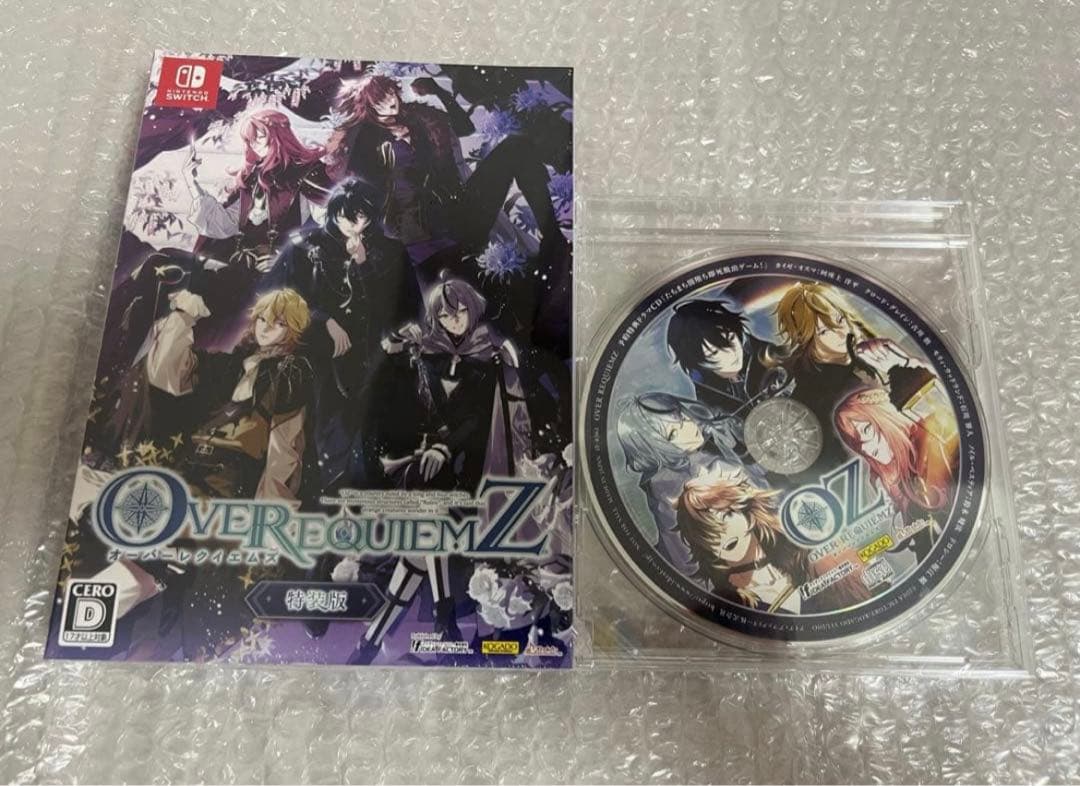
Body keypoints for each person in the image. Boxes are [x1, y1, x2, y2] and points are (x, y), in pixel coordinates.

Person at [327, 74, 567, 283]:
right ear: (368, 106)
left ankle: (554, 242)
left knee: (516, 146)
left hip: (461, 210)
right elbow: (360, 192)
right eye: (379, 99)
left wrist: (439, 91)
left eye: (390, 93)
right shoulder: (367, 141)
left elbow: (465, 127)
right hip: (423, 232)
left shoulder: (419, 116)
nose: (390, 101)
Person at [263, 177, 422, 490]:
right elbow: (279, 299)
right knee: (321, 430)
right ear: (334, 212)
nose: (356, 224)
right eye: (348, 216)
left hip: (376, 357)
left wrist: (364, 265)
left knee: (371, 431)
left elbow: (404, 307)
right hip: (320, 357)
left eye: (363, 216)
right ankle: (321, 492)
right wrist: (323, 320)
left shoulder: (390, 251)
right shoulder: (305, 247)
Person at [675, 472, 871, 613]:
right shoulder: (724, 602)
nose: (723, 533)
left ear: (747, 512)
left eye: (727, 515)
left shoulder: (806, 553)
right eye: (707, 531)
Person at [615, 393, 751, 576]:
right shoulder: (667, 489)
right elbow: (685, 562)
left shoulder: (699, 454)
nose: (689, 427)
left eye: (681, 417)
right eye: (673, 434)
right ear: (653, 449)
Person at [834, 387, 958, 560]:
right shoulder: (886, 482)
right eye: (857, 443)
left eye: (867, 430)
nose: (867, 449)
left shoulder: (929, 438)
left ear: (884, 418)